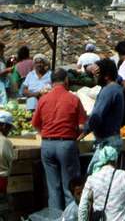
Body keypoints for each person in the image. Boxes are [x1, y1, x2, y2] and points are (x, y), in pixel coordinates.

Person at [32, 68, 86, 212]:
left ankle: (56, 216)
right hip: (66, 144)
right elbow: (82, 125)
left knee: (53, 187)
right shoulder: (73, 99)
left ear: (51, 82)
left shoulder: (43, 99)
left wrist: (45, 133)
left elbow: (35, 124)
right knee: (70, 187)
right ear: (66, 80)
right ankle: (71, 216)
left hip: (47, 145)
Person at [81, 59, 124, 174]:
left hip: (107, 142)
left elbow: (97, 116)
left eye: (97, 74)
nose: (94, 77)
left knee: (96, 176)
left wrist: (83, 131)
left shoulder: (109, 91)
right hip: (111, 139)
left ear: (106, 76)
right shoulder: (115, 88)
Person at [77, 144, 125, 221]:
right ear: (116, 160)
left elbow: (82, 207)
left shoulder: (91, 179)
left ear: (101, 160)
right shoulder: (124, 175)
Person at [0, 111, 14, 220]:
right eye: (9, 128)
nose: (9, 131)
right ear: (4, 126)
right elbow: (9, 162)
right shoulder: (6, 142)